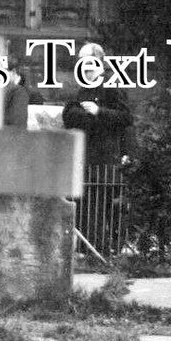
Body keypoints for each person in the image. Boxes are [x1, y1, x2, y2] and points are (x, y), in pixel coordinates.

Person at [62, 43, 133, 255]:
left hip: (104, 158)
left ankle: (101, 250)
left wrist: (98, 111)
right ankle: (88, 249)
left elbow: (126, 118)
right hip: (85, 157)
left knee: (101, 207)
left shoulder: (111, 85)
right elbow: (69, 115)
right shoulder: (82, 88)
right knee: (85, 206)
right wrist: (88, 117)